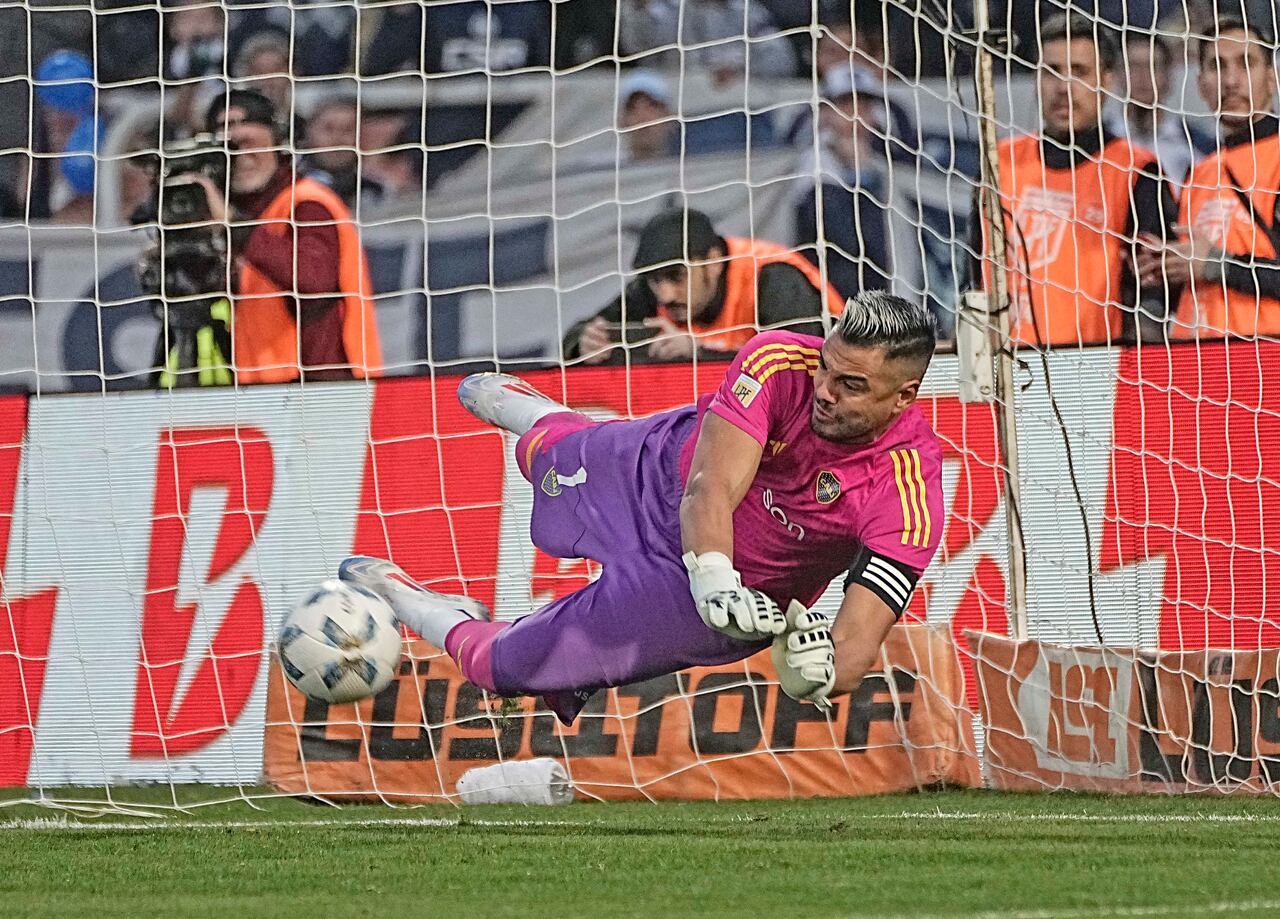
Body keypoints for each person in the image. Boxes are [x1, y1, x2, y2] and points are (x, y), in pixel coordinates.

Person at [339, 291, 944, 724]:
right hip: (660, 480)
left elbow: (855, 647)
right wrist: (714, 573)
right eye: (828, 368)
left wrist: (813, 674)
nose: (825, 392)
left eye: (853, 386)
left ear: (905, 397)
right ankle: (543, 419)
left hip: (695, 605)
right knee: (550, 459)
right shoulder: (777, 360)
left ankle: (410, 600)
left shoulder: (908, 496)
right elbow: (711, 487)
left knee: (504, 668)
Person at [971, 13, 1179, 345]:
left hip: (1095, 367)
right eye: (1052, 72)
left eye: (1079, 72)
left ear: (1107, 80)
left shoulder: (1137, 171)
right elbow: (974, 271)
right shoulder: (1000, 163)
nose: (1063, 88)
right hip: (1005, 367)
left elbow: (1155, 296)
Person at [194, 89, 382, 382]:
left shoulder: (308, 203)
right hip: (264, 388)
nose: (241, 157)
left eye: (249, 144)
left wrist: (233, 225)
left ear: (277, 144)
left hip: (323, 389)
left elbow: (313, 279)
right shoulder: (233, 212)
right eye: (229, 149)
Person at [1135, 13, 1280, 340]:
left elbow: (1210, 263)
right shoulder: (1198, 172)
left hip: (1264, 360)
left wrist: (1216, 265)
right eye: (1217, 66)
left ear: (1271, 77)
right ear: (1201, 84)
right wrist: (1165, 267)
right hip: (1197, 366)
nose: (1231, 80)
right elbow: (1196, 267)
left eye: (1246, 64)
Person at [565, 207, 844, 364]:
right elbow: (578, 333)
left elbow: (797, 367)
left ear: (713, 262)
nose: (664, 294)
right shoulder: (651, 291)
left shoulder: (773, 280)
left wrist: (698, 352)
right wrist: (584, 345)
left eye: (676, 277)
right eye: (654, 280)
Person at [794, 66, 892, 301]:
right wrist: (859, 174)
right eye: (845, 106)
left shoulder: (884, 161)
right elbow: (848, 242)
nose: (855, 116)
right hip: (826, 295)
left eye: (863, 106)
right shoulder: (814, 163)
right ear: (826, 113)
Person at [1107, 28, 1214, 191]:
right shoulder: (1101, 140)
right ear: (1118, 74)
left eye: (1153, 66)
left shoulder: (1198, 145)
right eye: (1133, 66)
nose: (1143, 76)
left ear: (1168, 76)